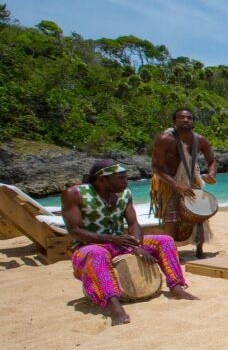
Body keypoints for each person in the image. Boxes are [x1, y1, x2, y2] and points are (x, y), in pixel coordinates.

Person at [62, 159, 197, 326]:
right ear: (102, 180)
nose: (126, 182)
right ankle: (114, 307)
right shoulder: (74, 194)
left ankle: (176, 288)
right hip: (87, 246)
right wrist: (113, 239)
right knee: (97, 254)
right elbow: (74, 230)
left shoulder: (125, 194)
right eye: (121, 178)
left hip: (121, 243)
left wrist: (136, 246)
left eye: (126, 178)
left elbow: (133, 224)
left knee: (165, 240)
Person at [151, 108, 218, 258]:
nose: (185, 120)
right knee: (171, 218)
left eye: (189, 118)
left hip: (191, 179)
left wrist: (211, 175)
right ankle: (169, 254)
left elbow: (212, 161)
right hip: (168, 181)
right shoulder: (165, 140)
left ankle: (200, 251)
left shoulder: (200, 140)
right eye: (181, 117)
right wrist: (177, 185)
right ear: (174, 121)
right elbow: (156, 167)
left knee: (200, 215)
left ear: (193, 122)